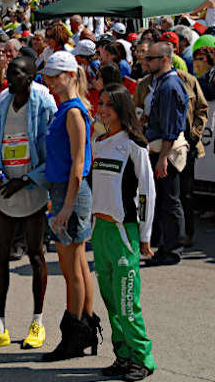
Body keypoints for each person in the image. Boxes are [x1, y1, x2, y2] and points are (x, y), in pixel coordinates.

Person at [0, 56, 57, 351]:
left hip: (31, 190)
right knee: (0, 257)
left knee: (35, 255)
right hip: (5, 191)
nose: (11, 75)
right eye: (9, 71)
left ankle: (38, 322)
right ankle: (0, 325)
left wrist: (29, 178)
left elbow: (51, 150)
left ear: (31, 76)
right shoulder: (3, 102)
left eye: (18, 72)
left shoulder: (43, 104)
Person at [92, 83, 157, 382]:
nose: (102, 108)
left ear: (121, 109)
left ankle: (143, 359)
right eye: (100, 103)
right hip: (100, 232)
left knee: (128, 302)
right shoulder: (99, 141)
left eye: (108, 104)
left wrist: (145, 235)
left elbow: (146, 193)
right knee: (111, 302)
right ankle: (123, 356)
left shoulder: (134, 145)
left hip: (124, 234)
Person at [41, 51, 100, 361]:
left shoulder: (73, 112)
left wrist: (65, 208)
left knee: (72, 271)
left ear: (69, 76)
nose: (48, 81)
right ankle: (85, 328)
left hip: (71, 193)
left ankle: (74, 335)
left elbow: (78, 165)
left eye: (53, 75)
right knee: (77, 267)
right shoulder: (68, 109)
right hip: (66, 191)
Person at [142, 42, 189, 266]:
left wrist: (163, 158)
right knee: (163, 200)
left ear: (164, 60)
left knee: (170, 201)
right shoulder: (161, 82)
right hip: (159, 147)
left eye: (150, 59)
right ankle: (165, 247)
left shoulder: (170, 85)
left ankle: (172, 250)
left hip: (166, 151)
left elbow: (172, 126)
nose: (145, 62)